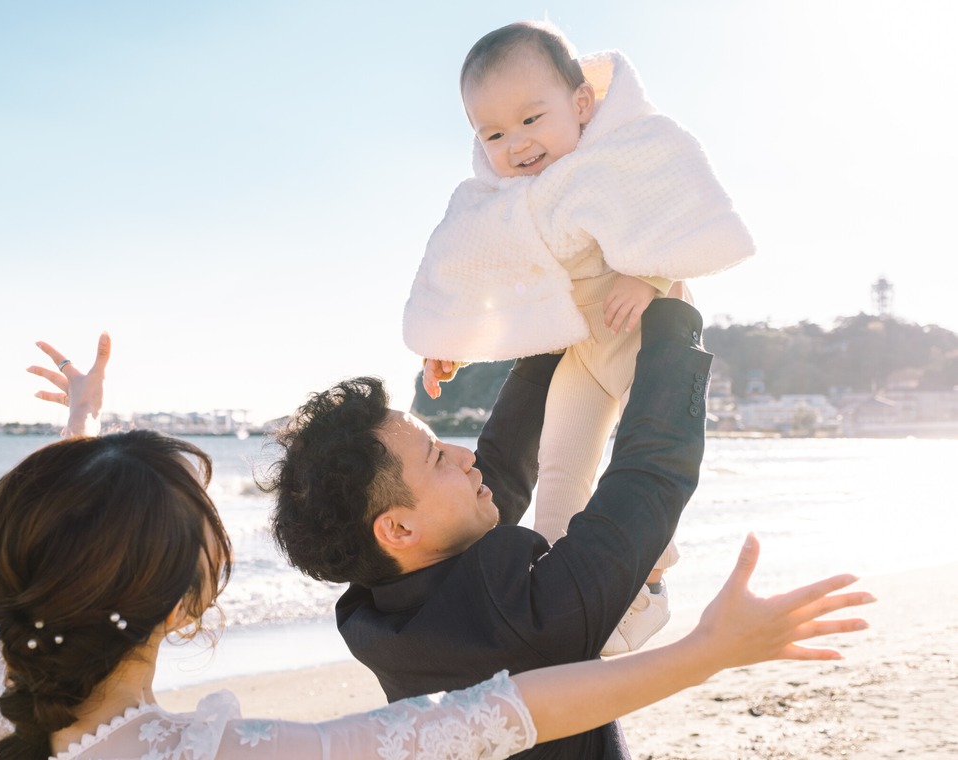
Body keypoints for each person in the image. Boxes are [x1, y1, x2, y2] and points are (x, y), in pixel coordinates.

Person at [0, 333, 874, 760]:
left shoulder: (4, 707)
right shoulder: (214, 756)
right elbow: (504, 711)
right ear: (183, 604)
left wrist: (82, 433)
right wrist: (707, 654)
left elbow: (52, 555)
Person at [402, 21, 757, 653]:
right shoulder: (502, 200)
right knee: (561, 468)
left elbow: (667, 209)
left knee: (644, 456)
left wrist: (645, 274)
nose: (517, 144)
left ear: (582, 104)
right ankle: (584, 606)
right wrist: (450, 335)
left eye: (532, 118)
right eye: (495, 134)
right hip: (580, 351)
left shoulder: (616, 156)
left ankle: (647, 582)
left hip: (641, 331)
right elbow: (474, 264)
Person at [272, 297, 741, 758]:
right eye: (438, 458)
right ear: (395, 529)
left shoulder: (375, 612)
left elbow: (499, 470)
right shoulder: (524, 621)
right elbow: (649, 478)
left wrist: (548, 337)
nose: (464, 456)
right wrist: (672, 315)